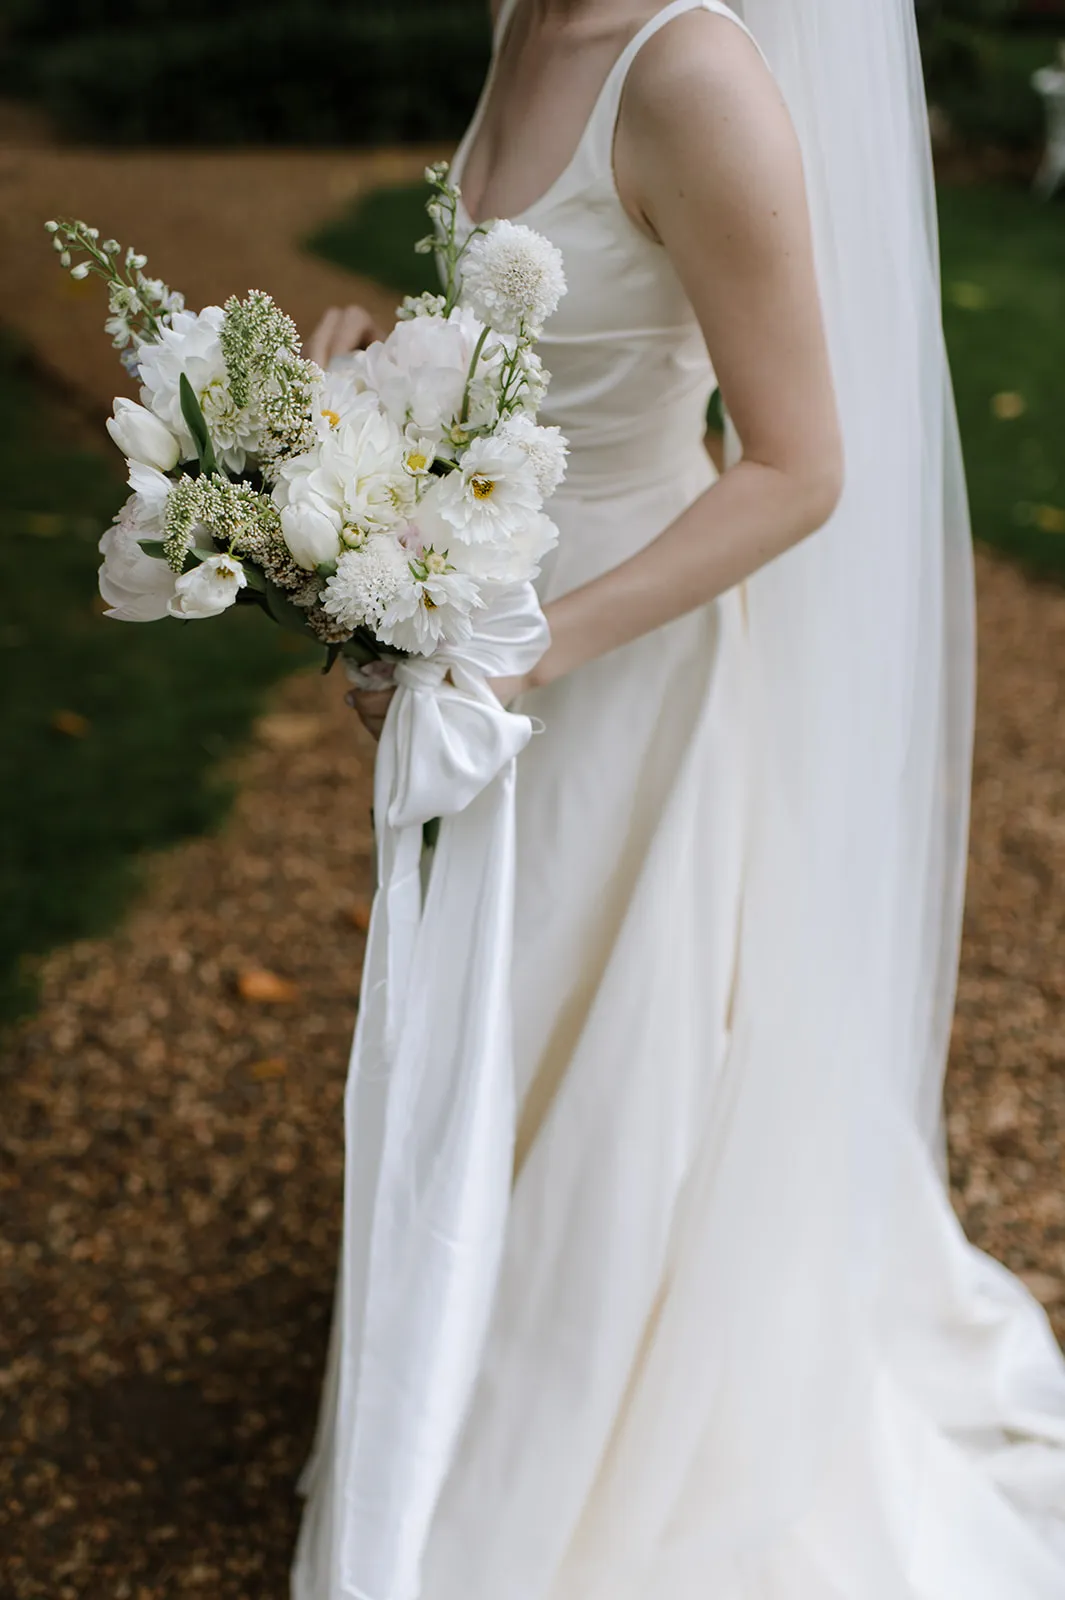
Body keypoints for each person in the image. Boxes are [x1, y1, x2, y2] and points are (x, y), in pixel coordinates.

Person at [297, 3, 1065, 1595]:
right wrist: (373, 416)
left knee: (600, 1059)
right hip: (484, 611)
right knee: (486, 1043)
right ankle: (437, 1394)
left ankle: (554, 1475)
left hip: (605, 660)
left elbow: (797, 465)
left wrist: (537, 652)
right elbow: (538, 353)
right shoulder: (526, 17)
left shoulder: (694, 75)